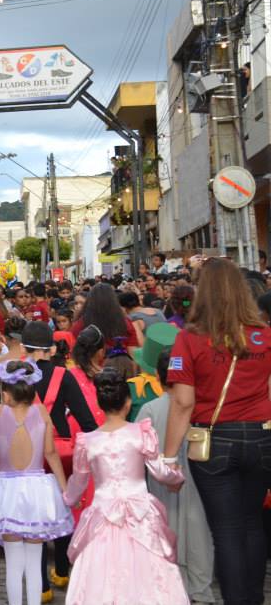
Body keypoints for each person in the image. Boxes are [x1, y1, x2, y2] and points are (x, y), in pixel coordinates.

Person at [164, 258, 271, 605]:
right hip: (262, 436)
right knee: (253, 522)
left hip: (213, 442)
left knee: (225, 529)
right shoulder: (264, 335)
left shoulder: (190, 339)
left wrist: (168, 455)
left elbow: (182, 402)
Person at [63, 369, 188, 604]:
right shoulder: (141, 434)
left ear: (100, 403)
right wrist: (177, 477)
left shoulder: (88, 442)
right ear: (128, 403)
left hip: (102, 514)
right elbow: (159, 472)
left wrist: (67, 499)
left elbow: (78, 483)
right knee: (151, 577)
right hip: (140, 513)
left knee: (99, 578)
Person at [0, 360, 74, 605]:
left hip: (7, 490)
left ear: (6, 393)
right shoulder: (42, 413)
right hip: (38, 489)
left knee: (14, 562)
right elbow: (50, 453)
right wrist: (64, 488)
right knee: (34, 558)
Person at [136, 348, 215, 603]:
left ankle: (169, 591)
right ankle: (201, 590)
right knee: (199, 534)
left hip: (160, 484)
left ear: (158, 377)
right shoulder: (203, 406)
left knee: (165, 534)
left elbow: (137, 453)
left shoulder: (149, 409)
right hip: (199, 480)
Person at [71, 283, 139, 354]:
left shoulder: (81, 323)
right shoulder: (125, 322)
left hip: (92, 363)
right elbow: (132, 353)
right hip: (120, 363)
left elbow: (75, 349)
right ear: (114, 300)